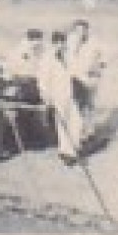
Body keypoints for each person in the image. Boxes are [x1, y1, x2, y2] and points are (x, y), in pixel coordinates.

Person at [38, 31, 84, 164]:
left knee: (77, 121)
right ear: (53, 43)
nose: (61, 45)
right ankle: (67, 153)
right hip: (56, 96)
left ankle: (72, 149)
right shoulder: (47, 59)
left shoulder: (66, 57)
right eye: (59, 43)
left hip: (68, 94)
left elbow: (72, 73)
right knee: (63, 124)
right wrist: (46, 98)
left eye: (63, 43)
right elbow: (43, 81)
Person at [65, 19, 108, 141]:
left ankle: (90, 131)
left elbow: (104, 59)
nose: (81, 33)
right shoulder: (70, 41)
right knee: (76, 105)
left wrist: (98, 68)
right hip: (74, 78)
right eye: (78, 30)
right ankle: (77, 131)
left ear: (87, 30)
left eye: (83, 30)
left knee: (89, 105)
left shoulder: (95, 42)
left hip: (90, 78)